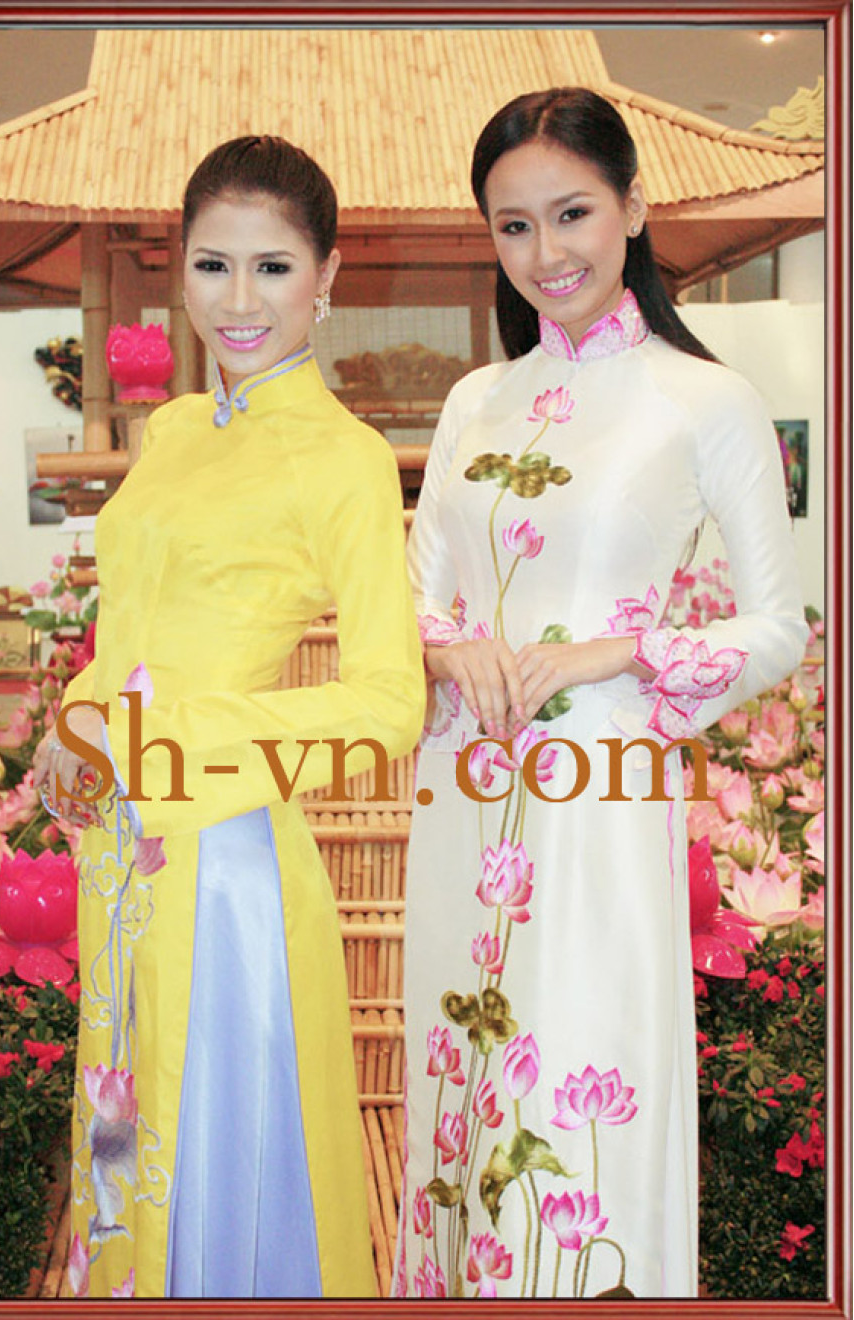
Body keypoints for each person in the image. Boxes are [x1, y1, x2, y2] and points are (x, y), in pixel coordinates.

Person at [394, 88, 807, 1301]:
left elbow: (777, 629)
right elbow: (416, 599)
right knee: (461, 1082)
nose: (546, 252)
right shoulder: (475, 400)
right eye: (513, 226)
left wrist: (613, 653)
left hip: (602, 799)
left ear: (633, 206)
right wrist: (444, 651)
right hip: (465, 794)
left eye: (572, 213)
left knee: (580, 1072)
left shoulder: (707, 400)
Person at [33, 135, 425, 1299]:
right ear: (183, 271)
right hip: (121, 846)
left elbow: (389, 703)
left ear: (327, 276)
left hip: (224, 861)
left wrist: (169, 745)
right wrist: (78, 722)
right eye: (214, 265)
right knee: (121, 1119)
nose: (240, 301)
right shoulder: (168, 434)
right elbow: (129, 631)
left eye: (273, 267)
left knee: (210, 1152)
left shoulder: (347, 459)